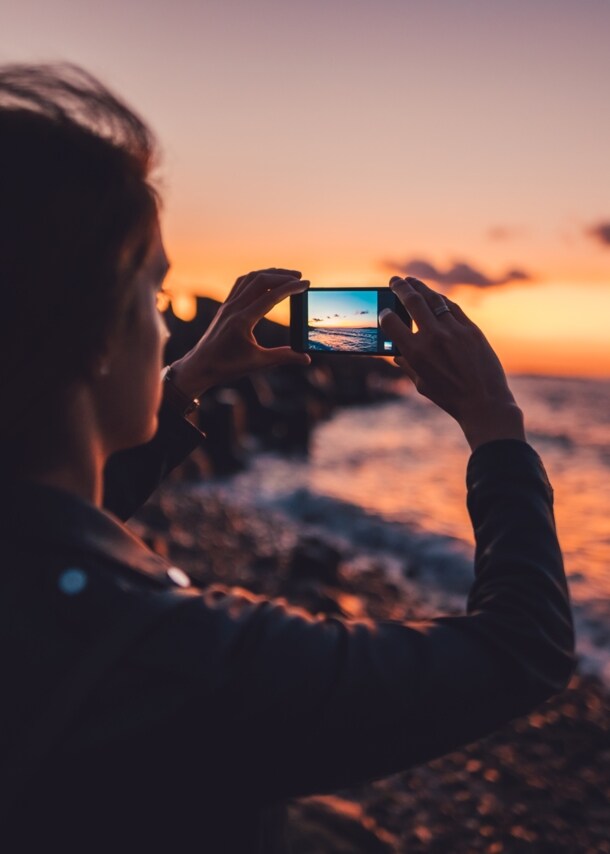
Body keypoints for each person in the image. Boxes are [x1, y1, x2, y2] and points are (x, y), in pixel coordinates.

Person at [0, 63, 574, 853]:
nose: (169, 327)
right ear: (91, 333)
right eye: (154, 296)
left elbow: (54, 513)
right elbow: (522, 652)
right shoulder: (170, 658)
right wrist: (496, 427)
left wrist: (189, 380)